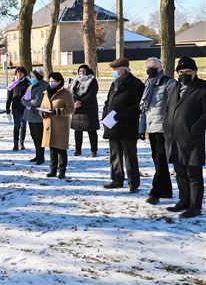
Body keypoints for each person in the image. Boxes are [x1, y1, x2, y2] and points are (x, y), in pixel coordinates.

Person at [164, 56, 206, 219]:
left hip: (192, 138)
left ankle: (195, 206)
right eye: (181, 72)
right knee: (179, 171)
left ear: (195, 72)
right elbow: (168, 108)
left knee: (193, 174)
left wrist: (196, 128)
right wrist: (167, 125)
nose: (184, 74)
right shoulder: (174, 86)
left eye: (188, 71)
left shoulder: (203, 87)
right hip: (174, 137)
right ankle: (183, 201)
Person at [102, 58, 145, 192]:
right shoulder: (115, 83)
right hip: (112, 125)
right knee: (115, 155)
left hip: (128, 126)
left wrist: (124, 115)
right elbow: (108, 101)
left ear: (123, 70)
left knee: (130, 155)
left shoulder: (136, 84)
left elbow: (139, 105)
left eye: (115, 70)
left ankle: (133, 183)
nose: (113, 73)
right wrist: (105, 115)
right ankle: (116, 179)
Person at [138, 58, 176, 204]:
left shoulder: (168, 82)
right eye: (148, 66)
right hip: (151, 127)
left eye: (153, 67)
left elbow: (172, 106)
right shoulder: (148, 83)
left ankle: (156, 192)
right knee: (157, 159)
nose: (150, 69)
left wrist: (169, 126)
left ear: (160, 67)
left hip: (163, 128)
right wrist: (141, 129)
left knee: (160, 159)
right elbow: (144, 109)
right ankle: (166, 190)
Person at [40, 72, 74, 179]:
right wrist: (42, 113)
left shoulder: (65, 93)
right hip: (49, 125)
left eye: (53, 81)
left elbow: (70, 109)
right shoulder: (46, 93)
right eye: (50, 81)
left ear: (59, 82)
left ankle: (62, 171)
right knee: (52, 149)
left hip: (60, 125)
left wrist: (57, 112)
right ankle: (53, 170)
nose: (51, 83)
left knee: (61, 149)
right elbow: (42, 106)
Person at [69, 64, 100, 157]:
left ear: (87, 72)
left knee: (92, 131)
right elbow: (72, 92)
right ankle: (78, 150)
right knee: (77, 131)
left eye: (83, 71)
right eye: (80, 71)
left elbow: (92, 94)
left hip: (89, 109)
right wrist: (74, 102)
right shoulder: (76, 81)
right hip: (77, 110)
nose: (81, 73)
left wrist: (80, 102)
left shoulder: (92, 81)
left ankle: (94, 150)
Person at [21, 69, 47, 165]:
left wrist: (25, 102)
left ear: (37, 76)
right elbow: (25, 96)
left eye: (32, 76)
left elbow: (37, 101)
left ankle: (41, 156)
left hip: (38, 115)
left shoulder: (42, 86)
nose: (31, 78)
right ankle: (37, 155)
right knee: (34, 136)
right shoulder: (32, 85)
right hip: (31, 114)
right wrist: (25, 100)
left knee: (39, 136)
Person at [6, 66, 30, 151]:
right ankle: (15, 143)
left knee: (23, 126)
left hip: (25, 108)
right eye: (17, 73)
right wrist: (7, 110)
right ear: (16, 74)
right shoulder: (13, 83)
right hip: (15, 107)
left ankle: (21, 143)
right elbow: (9, 98)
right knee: (17, 126)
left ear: (24, 74)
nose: (19, 74)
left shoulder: (28, 83)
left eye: (21, 73)